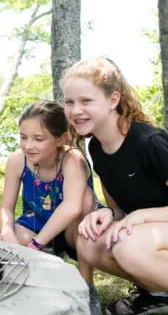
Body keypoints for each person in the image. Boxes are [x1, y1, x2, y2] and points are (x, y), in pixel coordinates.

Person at [62, 56, 168, 315]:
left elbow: (136, 217)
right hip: (151, 231)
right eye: (70, 102)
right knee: (88, 240)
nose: (76, 110)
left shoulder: (149, 142)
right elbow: (120, 210)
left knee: (127, 243)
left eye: (86, 101)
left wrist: (143, 216)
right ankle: (156, 296)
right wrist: (108, 213)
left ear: (113, 100)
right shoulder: (97, 147)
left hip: (155, 229)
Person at [0, 100, 100, 293]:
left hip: (72, 231)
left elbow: (72, 207)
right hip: (34, 225)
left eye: (38, 139)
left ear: (60, 139)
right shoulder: (17, 160)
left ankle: (87, 285)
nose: (28, 145)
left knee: (85, 199)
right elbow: (6, 207)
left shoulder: (72, 159)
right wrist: (8, 234)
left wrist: (36, 244)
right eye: (23, 137)